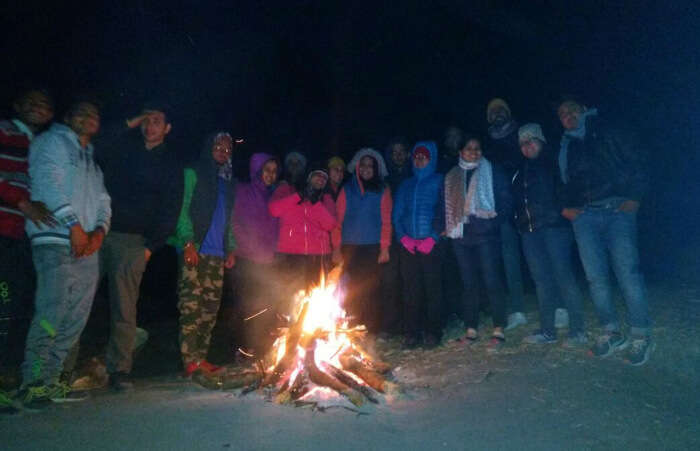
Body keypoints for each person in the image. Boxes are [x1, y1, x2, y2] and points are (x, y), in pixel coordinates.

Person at [18, 99, 111, 404]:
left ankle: (54, 378)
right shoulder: (51, 143)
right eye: (81, 112)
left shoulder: (91, 160)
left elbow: (103, 201)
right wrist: (73, 226)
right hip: (54, 239)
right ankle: (32, 381)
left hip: (86, 244)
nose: (88, 117)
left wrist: (99, 232)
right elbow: (47, 185)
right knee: (52, 311)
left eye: (94, 114)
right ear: (68, 117)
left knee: (77, 315)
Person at [557, 97, 652, 365]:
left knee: (627, 272)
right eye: (562, 114)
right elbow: (563, 179)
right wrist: (566, 206)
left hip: (616, 209)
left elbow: (638, 158)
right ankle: (610, 331)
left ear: (583, 109)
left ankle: (640, 334)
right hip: (585, 216)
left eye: (572, 110)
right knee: (595, 278)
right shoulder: (567, 145)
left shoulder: (606, 129)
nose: (567, 116)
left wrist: (635, 196)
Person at [97, 104, 181, 390]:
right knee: (74, 299)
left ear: (167, 128)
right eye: (147, 120)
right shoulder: (124, 150)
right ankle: (57, 369)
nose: (150, 125)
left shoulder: (170, 164)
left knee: (124, 307)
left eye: (157, 121)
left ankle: (118, 370)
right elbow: (98, 143)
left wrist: (150, 247)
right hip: (97, 232)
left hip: (133, 241)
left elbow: (171, 209)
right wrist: (130, 122)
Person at [512, 124, 586, 347]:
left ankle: (577, 331)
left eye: (531, 140)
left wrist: (564, 209)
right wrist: (518, 223)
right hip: (529, 232)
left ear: (541, 141)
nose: (527, 146)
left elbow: (568, 187)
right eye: (523, 143)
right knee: (542, 281)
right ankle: (548, 330)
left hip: (555, 228)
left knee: (564, 277)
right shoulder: (520, 169)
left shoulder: (553, 161)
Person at [168, 133, 236, 376]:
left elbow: (229, 219)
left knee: (209, 309)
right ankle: (190, 361)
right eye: (217, 146)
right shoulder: (193, 172)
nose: (222, 150)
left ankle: (201, 358)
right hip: (194, 248)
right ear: (208, 147)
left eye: (227, 148)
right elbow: (182, 207)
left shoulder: (227, 181)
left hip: (217, 254)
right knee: (191, 307)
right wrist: (187, 241)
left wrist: (230, 248)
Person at [0, 88, 55, 368]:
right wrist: (22, 203)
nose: (37, 107)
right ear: (17, 104)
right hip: (4, 229)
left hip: (26, 236)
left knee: (22, 303)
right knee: (5, 302)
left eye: (44, 104)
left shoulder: (44, 143)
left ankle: (9, 373)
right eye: (30, 102)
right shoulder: (6, 132)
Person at [444, 134, 511, 352]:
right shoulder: (453, 174)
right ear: (460, 151)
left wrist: (493, 223)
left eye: (477, 148)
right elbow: (442, 202)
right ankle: (471, 329)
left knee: (492, 280)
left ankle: (499, 327)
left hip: (485, 235)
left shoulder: (492, 171)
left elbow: (505, 200)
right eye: (469, 148)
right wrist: (444, 226)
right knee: (468, 284)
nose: (473, 152)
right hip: (461, 237)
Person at [331, 148, 391, 334]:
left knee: (372, 289)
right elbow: (337, 221)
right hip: (350, 248)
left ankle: (372, 330)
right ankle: (352, 330)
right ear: (357, 167)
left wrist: (384, 248)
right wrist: (336, 248)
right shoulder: (347, 189)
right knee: (352, 290)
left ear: (376, 168)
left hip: (372, 247)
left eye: (370, 166)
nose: (366, 169)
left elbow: (386, 221)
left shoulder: (382, 189)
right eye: (362, 165)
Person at [392, 141, 444, 348]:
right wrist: (403, 238)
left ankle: (433, 331)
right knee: (411, 289)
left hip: (431, 244)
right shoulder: (406, 184)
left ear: (431, 158)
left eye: (424, 156)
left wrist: (433, 237)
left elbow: (444, 212)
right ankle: (412, 332)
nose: (419, 159)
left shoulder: (440, 181)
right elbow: (397, 215)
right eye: (416, 156)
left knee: (433, 288)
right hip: (409, 246)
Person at [231, 152, 281, 357]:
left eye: (274, 171)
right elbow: (234, 222)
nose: (270, 175)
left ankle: (261, 348)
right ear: (256, 170)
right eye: (266, 170)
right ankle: (244, 349)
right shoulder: (243, 191)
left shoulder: (272, 195)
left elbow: (275, 226)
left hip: (268, 259)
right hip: (246, 258)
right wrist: (232, 249)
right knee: (248, 306)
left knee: (266, 305)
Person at [485, 98, 527, 330]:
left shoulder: (521, 133)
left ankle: (558, 306)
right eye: (492, 112)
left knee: (538, 258)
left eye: (501, 110)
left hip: (525, 204)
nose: (497, 114)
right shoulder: (487, 143)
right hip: (501, 210)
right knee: (509, 261)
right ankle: (518, 309)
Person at [268, 163, 336, 306]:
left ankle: (313, 327)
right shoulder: (287, 189)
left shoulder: (326, 198)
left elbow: (330, 224)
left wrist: (315, 203)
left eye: (324, 178)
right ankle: (285, 327)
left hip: (317, 255)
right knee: (289, 298)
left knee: (315, 298)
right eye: (317, 175)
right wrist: (299, 196)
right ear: (309, 176)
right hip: (290, 253)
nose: (321, 179)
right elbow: (274, 209)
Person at [380, 137, 411, 336]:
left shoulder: (413, 175)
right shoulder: (384, 179)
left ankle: (410, 323)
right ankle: (391, 324)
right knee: (390, 281)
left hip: (409, 236)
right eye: (394, 152)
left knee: (410, 280)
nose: (398, 155)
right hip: (389, 236)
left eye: (401, 151)